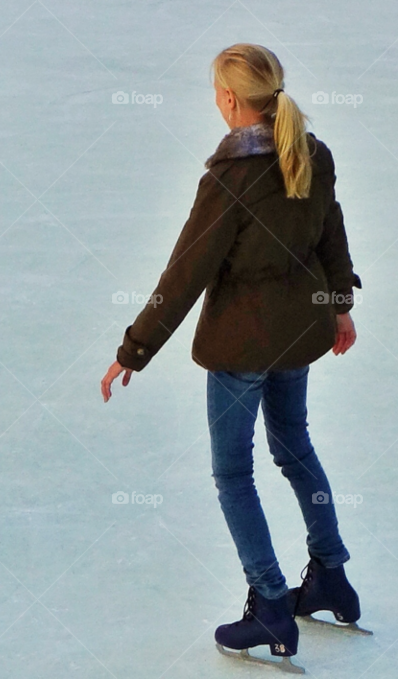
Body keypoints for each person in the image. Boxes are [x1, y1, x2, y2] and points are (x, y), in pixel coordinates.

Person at [100, 43, 363, 670]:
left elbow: (188, 269)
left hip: (242, 345)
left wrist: (135, 349)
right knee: (295, 447)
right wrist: (339, 303)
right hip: (298, 332)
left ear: (227, 98)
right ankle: (330, 574)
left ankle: (272, 605)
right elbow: (331, 230)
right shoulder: (310, 150)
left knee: (233, 474)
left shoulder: (232, 175)